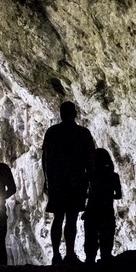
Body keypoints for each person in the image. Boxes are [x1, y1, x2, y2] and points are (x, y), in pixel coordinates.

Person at [42, 101, 96, 263]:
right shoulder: (82, 133)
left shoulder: (53, 132)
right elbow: (90, 159)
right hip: (76, 180)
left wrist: (47, 179)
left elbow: (46, 159)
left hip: (58, 180)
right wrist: (90, 179)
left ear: (61, 114)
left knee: (58, 217)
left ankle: (57, 254)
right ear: (75, 114)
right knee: (71, 218)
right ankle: (69, 253)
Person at [83, 147, 123, 265]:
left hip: (92, 211)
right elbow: (119, 195)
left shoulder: (91, 176)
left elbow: (85, 193)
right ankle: (105, 259)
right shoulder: (113, 176)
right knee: (106, 237)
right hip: (107, 211)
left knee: (91, 237)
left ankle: (90, 261)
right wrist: (108, 196)